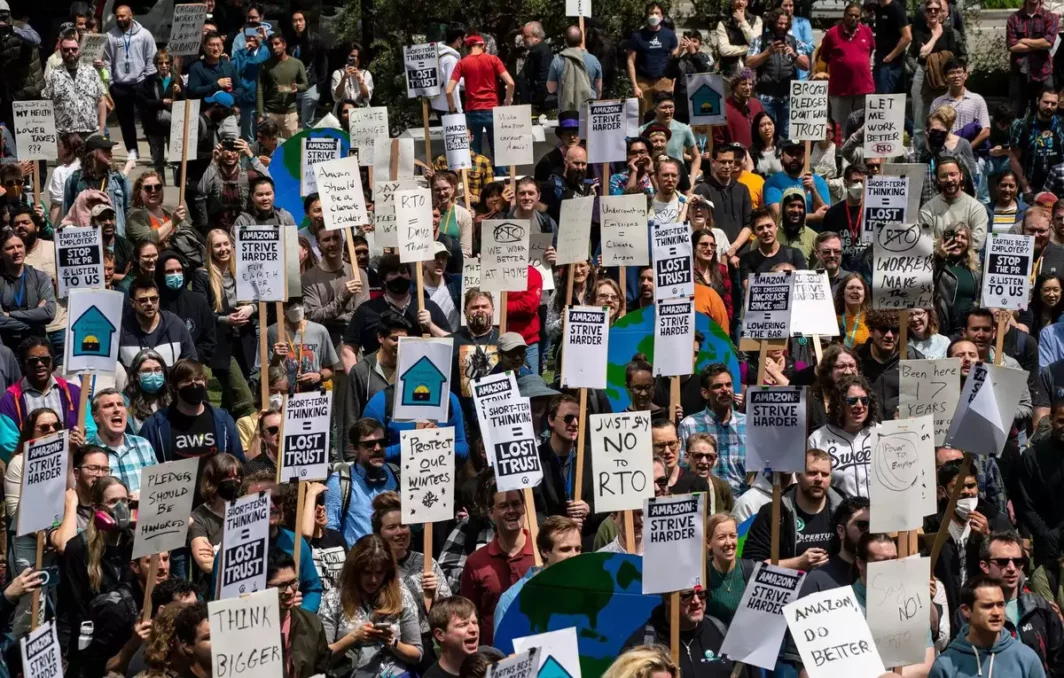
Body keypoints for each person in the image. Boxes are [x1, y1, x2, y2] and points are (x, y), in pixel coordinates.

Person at [319, 534, 423, 676]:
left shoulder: (402, 595)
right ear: (355, 570)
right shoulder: (334, 599)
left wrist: (392, 642)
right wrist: (354, 638)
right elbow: (322, 658)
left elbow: (417, 654)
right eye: (367, 572)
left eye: (379, 573)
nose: (373, 580)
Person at [58, 476, 132, 662]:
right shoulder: (78, 548)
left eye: (125, 501)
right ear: (96, 508)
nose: (121, 507)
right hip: (95, 641)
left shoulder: (133, 542)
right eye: (113, 501)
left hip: (130, 637)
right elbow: (74, 605)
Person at [928, 459, 1013, 617]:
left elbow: (1013, 559)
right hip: (948, 609)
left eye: (971, 485)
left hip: (984, 607)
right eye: (958, 487)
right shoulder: (933, 527)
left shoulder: (994, 519)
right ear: (942, 491)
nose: (966, 491)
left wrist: (988, 536)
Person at [460, 469, 535, 645]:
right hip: (494, 656)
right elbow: (469, 616)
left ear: (525, 507)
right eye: (503, 506)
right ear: (490, 513)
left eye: (516, 504)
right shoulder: (475, 563)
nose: (511, 511)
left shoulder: (542, 553)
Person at [371, 493, 450, 658]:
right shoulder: (371, 568)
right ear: (379, 533)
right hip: (386, 649)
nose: (400, 532)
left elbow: (449, 612)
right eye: (392, 527)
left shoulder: (426, 562)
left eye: (404, 525)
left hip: (426, 647)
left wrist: (435, 595)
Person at [973, 531, 1064, 671]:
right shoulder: (971, 612)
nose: (1011, 568)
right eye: (1002, 562)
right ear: (985, 566)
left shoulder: (1040, 606)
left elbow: (1059, 659)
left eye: (1017, 561)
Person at [342, 255, 450, 370]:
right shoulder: (366, 310)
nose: (400, 276)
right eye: (393, 273)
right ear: (384, 280)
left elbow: (451, 342)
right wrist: (357, 380)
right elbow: (348, 349)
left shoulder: (428, 306)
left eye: (403, 272)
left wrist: (430, 326)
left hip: (419, 380)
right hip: (378, 381)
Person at [622, 584, 753, 678]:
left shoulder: (721, 631)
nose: (696, 601)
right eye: (687, 596)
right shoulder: (643, 646)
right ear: (668, 598)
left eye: (701, 594)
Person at [138, 358, 243, 472]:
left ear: (205, 382)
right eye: (187, 381)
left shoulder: (224, 421)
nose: (194, 385)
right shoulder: (155, 425)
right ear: (174, 387)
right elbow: (144, 468)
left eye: (198, 379)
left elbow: (239, 462)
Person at [930, 577, 1047, 678]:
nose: (996, 612)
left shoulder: (1027, 659)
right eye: (987, 606)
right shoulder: (946, 665)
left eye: (1000, 605)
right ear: (966, 610)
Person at [746, 448, 840, 570]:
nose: (819, 479)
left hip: (834, 588)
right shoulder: (773, 513)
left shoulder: (842, 511)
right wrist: (797, 564)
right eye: (812, 473)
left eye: (825, 474)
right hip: (788, 587)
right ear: (798, 475)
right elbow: (751, 564)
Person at [342, 312, 409, 456]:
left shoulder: (412, 371)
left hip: (403, 451)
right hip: (371, 452)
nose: (401, 344)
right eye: (395, 339)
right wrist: (350, 458)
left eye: (405, 339)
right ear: (381, 338)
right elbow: (351, 417)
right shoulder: (361, 371)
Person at [327, 418, 399, 548]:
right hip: (359, 564)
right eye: (369, 444)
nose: (377, 448)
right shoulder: (340, 482)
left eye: (382, 442)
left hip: (395, 563)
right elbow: (331, 533)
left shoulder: (396, 474)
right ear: (354, 448)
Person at [679, 364, 747, 494]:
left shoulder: (747, 424)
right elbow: (682, 468)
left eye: (728, 385)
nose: (725, 390)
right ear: (705, 393)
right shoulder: (689, 425)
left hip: (740, 504)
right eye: (718, 386)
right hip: (704, 502)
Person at [807, 374, 878, 498]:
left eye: (865, 400)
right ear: (839, 404)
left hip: (882, 511)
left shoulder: (882, 433)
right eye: (852, 401)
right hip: (840, 513)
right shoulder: (818, 439)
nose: (860, 406)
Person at [445, 35, 514, 158]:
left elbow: (449, 90)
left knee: (474, 151)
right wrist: (507, 101)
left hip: (472, 111)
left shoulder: (462, 63)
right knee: (499, 150)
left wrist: (452, 110)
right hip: (492, 109)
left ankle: (476, 176)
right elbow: (510, 83)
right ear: (482, 45)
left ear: (468, 47)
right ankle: (501, 175)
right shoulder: (493, 60)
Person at [102, 5, 156, 161]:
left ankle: (154, 149)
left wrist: (147, 80)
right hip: (120, 85)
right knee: (126, 121)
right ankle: (132, 150)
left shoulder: (144, 35)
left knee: (147, 119)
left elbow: (151, 58)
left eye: (123, 16)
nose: (120, 19)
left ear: (131, 15)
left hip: (140, 82)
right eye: (117, 16)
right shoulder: (111, 36)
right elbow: (107, 61)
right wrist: (111, 83)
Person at [746, 9, 807, 139]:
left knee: (787, 135)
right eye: (780, 23)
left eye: (785, 24)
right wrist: (767, 52)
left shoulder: (794, 41)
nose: (782, 27)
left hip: (787, 98)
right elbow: (749, 63)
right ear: (773, 23)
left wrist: (794, 55)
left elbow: (806, 65)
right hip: (766, 97)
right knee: (765, 135)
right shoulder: (760, 41)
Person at [86, 387, 155, 494]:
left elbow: (157, 487)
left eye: (120, 404)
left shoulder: (143, 445)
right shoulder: (86, 451)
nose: (117, 409)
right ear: (96, 416)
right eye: (108, 406)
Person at [61, 135, 133, 237]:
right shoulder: (74, 180)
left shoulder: (119, 179)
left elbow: (128, 211)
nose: (111, 154)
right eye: (106, 150)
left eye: (110, 150)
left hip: (114, 240)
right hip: (87, 239)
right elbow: (68, 214)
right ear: (93, 152)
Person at [188, 453, 241, 587]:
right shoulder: (199, 517)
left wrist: (217, 555)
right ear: (213, 481)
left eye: (237, 477)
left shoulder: (246, 508)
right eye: (228, 477)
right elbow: (206, 564)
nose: (233, 481)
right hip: (213, 588)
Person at [118, 279, 197, 370]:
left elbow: (191, 361)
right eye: (143, 300)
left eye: (153, 298)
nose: (149, 303)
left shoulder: (175, 324)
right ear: (132, 303)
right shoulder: (121, 328)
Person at [195, 136, 268, 232]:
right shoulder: (214, 175)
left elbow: (269, 182)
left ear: (239, 154)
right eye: (226, 150)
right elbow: (202, 190)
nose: (230, 155)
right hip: (219, 230)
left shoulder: (247, 176)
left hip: (243, 230)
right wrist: (214, 161)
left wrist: (250, 155)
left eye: (234, 151)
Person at [818, 2, 874, 125]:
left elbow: (869, 51)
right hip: (840, 90)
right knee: (839, 127)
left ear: (860, 17)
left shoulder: (867, 32)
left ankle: (858, 146)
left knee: (861, 127)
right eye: (850, 15)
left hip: (863, 88)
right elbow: (825, 56)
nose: (853, 18)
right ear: (844, 15)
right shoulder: (832, 33)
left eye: (856, 16)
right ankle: (840, 145)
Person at [0, 227, 55, 351]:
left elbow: (48, 313)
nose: (16, 251)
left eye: (19, 246)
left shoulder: (40, 277)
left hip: (36, 349)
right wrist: (36, 320)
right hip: (7, 350)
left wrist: (10, 314)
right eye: (9, 248)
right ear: (1, 253)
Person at [801, 496, 870, 593]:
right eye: (862, 525)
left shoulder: (882, 574)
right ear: (841, 531)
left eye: (873, 526)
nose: (869, 531)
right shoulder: (818, 580)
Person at [920, 159, 989, 253]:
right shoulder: (927, 210)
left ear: (961, 175)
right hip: (937, 264)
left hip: (967, 265)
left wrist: (942, 243)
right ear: (937, 179)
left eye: (953, 174)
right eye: (944, 176)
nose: (949, 179)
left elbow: (978, 241)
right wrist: (963, 240)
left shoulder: (976, 208)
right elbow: (925, 243)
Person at [43, 33, 106, 137]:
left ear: (79, 50)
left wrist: (102, 129)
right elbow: (46, 104)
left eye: (74, 49)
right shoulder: (53, 75)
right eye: (66, 50)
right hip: (64, 135)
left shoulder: (91, 72)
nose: (70, 52)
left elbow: (101, 101)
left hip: (90, 133)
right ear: (61, 51)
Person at [693, 145, 752, 254]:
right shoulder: (702, 190)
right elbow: (700, 225)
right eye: (723, 162)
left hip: (742, 253)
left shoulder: (742, 189)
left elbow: (749, 224)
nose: (727, 166)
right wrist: (724, 250)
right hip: (714, 254)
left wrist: (734, 247)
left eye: (730, 162)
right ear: (713, 162)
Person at [1006, 0, 1059, 119]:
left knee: (1045, 112)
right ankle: (1016, 137)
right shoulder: (1014, 19)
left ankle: (1044, 137)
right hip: (1019, 73)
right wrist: (1038, 44)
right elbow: (1012, 46)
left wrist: (1023, 41)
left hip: (1043, 72)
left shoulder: (1051, 17)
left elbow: (1048, 42)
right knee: (1015, 113)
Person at [1010, 88, 1064, 200]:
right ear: (1038, 101)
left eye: (1053, 103)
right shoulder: (1022, 125)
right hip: (1031, 188)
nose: (1049, 106)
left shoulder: (1062, 125)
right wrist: (1026, 187)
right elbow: (1014, 158)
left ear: (1058, 105)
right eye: (1046, 102)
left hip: (1059, 188)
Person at [628, 2, 680, 117]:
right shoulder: (637, 36)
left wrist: (673, 84)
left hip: (664, 80)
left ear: (662, 16)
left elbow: (675, 61)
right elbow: (631, 61)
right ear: (646, 15)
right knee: (644, 115)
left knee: (665, 114)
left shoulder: (670, 35)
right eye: (651, 13)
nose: (654, 16)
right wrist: (635, 86)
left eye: (657, 13)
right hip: (643, 82)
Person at [763, 140, 830, 224]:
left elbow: (824, 213)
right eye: (790, 153)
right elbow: (779, 215)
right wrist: (814, 217)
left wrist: (813, 190)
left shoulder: (819, 181)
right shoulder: (772, 183)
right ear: (782, 156)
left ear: (805, 156)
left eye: (798, 154)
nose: (794, 158)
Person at [705, 513, 753, 624]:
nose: (729, 542)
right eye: (721, 537)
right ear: (708, 543)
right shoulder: (703, 575)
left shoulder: (750, 569)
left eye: (732, 536)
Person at [257, 33, 307, 139]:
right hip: (270, 112)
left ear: (284, 45)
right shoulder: (265, 65)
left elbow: (305, 85)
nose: (274, 47)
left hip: (290, 112)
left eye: (277, 44)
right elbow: (260, 88)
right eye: (271, 45)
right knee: (270, 145)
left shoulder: (297, 64)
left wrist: (297, 87)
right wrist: (260, 113)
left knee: (290, 145)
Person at [641, 93, 700, 182]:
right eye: (664, 107)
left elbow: (696, 157)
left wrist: (691, 183)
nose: (668, 111)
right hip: (650, 182)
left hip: (676, 181)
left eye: (671, 107)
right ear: (654, 108)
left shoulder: (683, 129)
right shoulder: (642, 131)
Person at [126, 171, 191, 249]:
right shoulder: (135, 217)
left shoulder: (169, 211)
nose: (153, 191)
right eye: (148, 188)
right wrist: (173, 222)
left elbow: (189, 232)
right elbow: (147, 240)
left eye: (157, 187)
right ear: (139, 192)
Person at [739, 207, 807, 281]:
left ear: (776, 226)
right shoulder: (747, 260)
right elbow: (748, 289)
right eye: (760, 228)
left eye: (769, 226)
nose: (765, 231)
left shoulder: (794, 254)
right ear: (754, 232)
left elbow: (802, 283)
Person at [287, 10, 328, 128]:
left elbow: (323, 64)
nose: (298, 24)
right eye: (295, 21)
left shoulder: (316, 40)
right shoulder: (289, 41)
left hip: (310, 85)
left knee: (307, 122)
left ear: (306, 22)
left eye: (300, 20)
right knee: (290, 122)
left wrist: (320, 86)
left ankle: (306, 146)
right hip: (291, 86)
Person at [425, 596, 481, 678]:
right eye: (463, 625)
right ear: (440, 635)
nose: (473, 629)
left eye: (474, 622)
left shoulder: (493, 659)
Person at [714, 0, 761, 82]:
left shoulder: (756, 20)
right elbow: (724, 50)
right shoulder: (723, 23)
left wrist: (743, 21)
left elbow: (755, 43)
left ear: (747, 2)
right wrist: (747, 48)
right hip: (729, 76)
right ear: (732, 2)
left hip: (751, 76)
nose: (740, 2)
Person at [871, 0, 910, 94]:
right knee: (879, 96)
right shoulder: (878, 9)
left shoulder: (895, 8)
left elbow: (907, 37)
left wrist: (890, 57)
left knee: (885, 96)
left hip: (891, 64)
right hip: (880, 60)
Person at [534, 111, 581, 182]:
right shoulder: (548, 161)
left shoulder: (587, 158)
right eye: (567, 133)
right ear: (561, 136)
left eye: (575, 133)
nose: (572, 137)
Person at [331, 42, 373, 109]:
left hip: (361, 112)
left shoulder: (366, 73)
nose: (354, 59)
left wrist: (360, 80)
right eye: (352, 56)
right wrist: (344, 78)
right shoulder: (338, 73)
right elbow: (336, 98)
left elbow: (367, 97)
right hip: (343, 112)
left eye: (357, 56)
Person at [988, 171, 1028, 235]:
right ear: (996, 186)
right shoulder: (986, 210)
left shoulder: (1026, 211)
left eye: (1011, 186)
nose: (1007, 190)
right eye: (1003, 185)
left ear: (1017, 188)